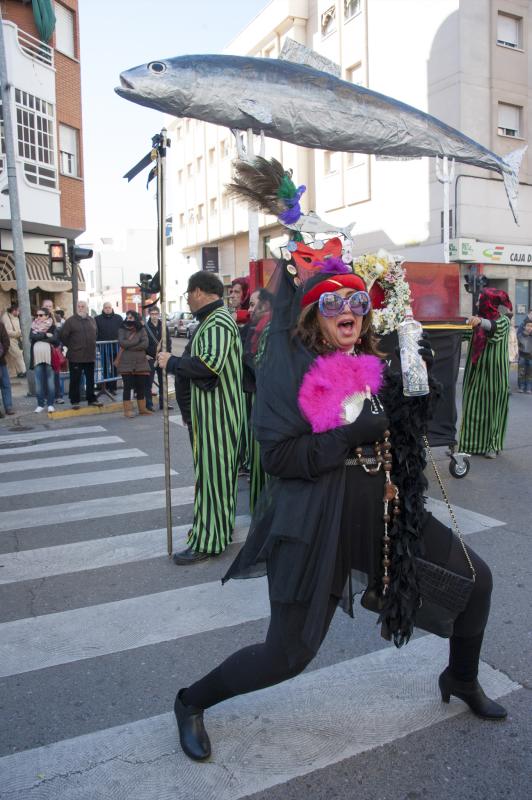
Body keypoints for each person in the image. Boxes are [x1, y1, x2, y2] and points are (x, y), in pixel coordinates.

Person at [172, 260, 505, 763]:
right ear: (313, 315)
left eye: (357, 302)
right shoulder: (293, 367)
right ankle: (190, 701)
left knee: (477, 579)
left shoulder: (375, 359)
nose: (347, 311)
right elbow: (278, 457)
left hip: (384, 512)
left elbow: (406, 433)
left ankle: (460, 676)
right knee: (287, 655)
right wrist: (349, 434)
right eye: (332, 303)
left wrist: (417, 386)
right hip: (318, 519)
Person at [158, 271, 244, 565]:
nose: (188, 300)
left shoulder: (218, 322)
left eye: (187, 294)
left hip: (218, 417)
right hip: (211, 415)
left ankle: (208, 542)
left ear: (198, 292)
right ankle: (218, 530)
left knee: (213, 479)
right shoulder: (213, 321)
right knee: (215, 478)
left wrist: (172, 363)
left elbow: (208, 367)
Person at [458, 289, 512, 459]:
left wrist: (479, 321)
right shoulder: (476, 320)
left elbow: (493, 328)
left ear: (488, 303)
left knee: (494, 409)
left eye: (480, 300)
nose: (476, 303)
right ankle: (469, 444)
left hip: (496, 374)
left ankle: (492, 445)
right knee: (473, 407)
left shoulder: (503, 321)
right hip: (476, 372)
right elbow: (460, 333)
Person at [243, 288, 273, 511]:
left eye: (253, 304)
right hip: (257, 400)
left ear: (266, 306)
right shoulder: (255, 330)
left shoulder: (271, 330)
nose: (249, 309)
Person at [60, 300, 101, 410]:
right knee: (75, 380)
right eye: (79, 306)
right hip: (76, 356)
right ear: (76, 308)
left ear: (86, 308)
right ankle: (75, 401)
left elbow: (96, 334)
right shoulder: (70, 321)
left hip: (89, 356)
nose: (81, 308)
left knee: (90, 379)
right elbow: (64, 336)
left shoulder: (91, 320)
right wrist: (72, 346)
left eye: (83, 306)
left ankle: (91, 399)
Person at [117, 310, 152, 418]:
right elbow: (122, 342)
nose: (129, 319)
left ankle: (142, 409)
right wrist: (137, 342)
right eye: (127, 317)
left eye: (131, 317)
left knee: (141, 386)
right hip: (126, 362)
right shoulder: (121, 329)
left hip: (140, 362)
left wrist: (130, 346)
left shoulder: (141, 329)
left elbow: (145, 344)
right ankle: (127, 410)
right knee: (127, 386)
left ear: (135, 318)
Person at [29, 308, 59, 413]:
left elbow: (55, 340)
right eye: (37, 315)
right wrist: (46, 335)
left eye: (41, 315)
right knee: (38, 383)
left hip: (49, 358)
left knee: (50, 382)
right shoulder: (33, 326)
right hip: (37, 358)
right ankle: (40, 405)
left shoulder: (53, 326)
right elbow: (31, 336)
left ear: (47, 316)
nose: (38, 317)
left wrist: (39, 337)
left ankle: (50, 404)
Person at [144, 306, 172, 411]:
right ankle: (149, 404)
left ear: (159, 314)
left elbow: (168, 341)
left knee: (163, 381)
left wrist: (167, 353)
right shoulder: (146, 327)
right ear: (149, 314)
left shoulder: (163, 326)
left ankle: (163, 404)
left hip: (162, 357)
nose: (154, 316)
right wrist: (145, 354)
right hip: (150, 358)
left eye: (156, 314)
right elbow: (143, 342)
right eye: (152, 314)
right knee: (149, 382)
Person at [95, 302, 123, 394]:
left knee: (115, 367)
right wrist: (98, 345)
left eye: (109, 307)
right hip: (103, 347)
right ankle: (105, 387)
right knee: (105, 368)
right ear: (103, 308)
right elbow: (95, 333)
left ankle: (113, 388)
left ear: (112, 308)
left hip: (115, 347)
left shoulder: (118, 318)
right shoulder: (97, 319)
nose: (107, 309)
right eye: (106, 307)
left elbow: (122, 331)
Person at [1, 304, 26, 378]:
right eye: (18, 311)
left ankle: (17, 372)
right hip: (10, 340)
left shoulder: (15, 317)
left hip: (16, 340)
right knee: (18, 355)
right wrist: (18, 333)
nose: (19, 313)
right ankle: (23, 371)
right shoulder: (6, 318)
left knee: (14, 357)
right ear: (14, 310)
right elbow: (7, 331)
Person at [0, 319, 15, 415]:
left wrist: (1, 354)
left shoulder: (0, 325)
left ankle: (8, 407)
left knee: (5, 384)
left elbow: (6, 341)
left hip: (1, 360)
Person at [517, 319, 532, 393]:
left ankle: (529, 387)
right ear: (524, 327)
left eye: (531, 326)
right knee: (521, 372)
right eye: (528, 326)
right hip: (522, 356)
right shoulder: (520, 336)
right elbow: (517, 346)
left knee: (530, 373)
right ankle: (521, 387)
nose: (529, 327)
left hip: (531, 357)